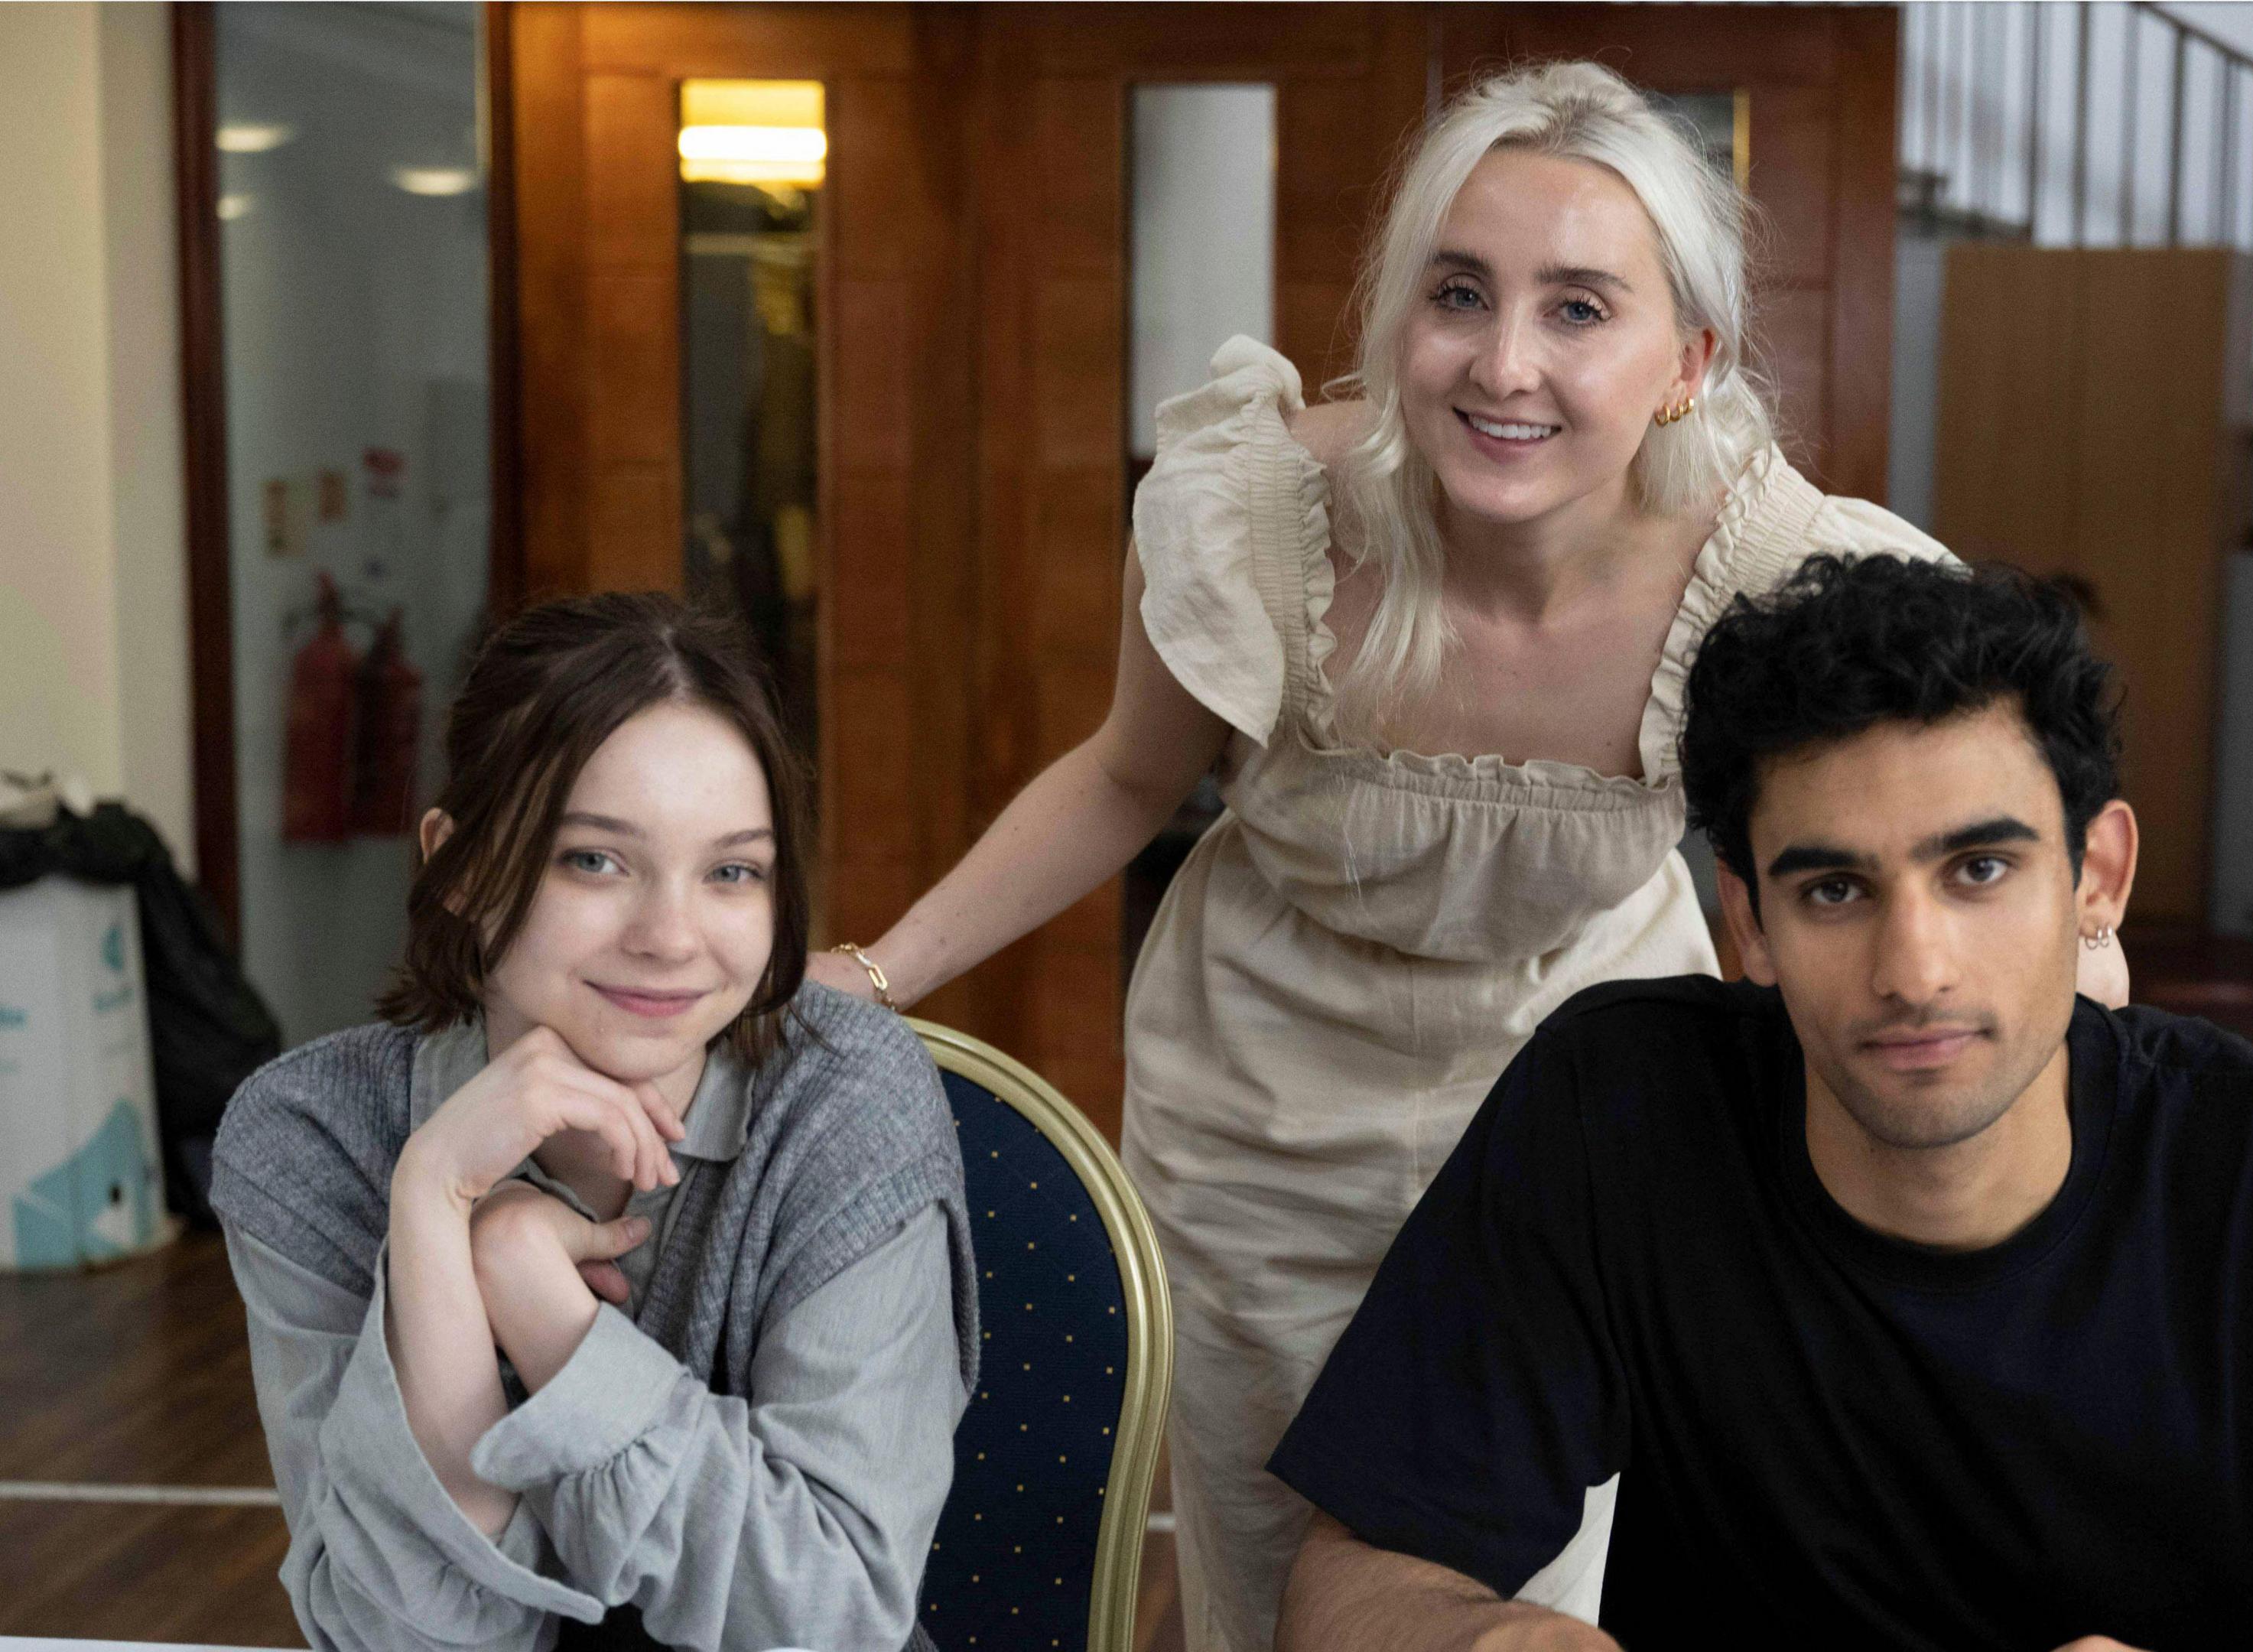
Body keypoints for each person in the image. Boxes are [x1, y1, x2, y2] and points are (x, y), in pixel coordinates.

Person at [805, 60, 2124, 1652]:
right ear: (1399, 319)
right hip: (1259, 1101)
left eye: (1581, 309)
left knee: (1518, 1571)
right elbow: (1119, 779)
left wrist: (2081, 1033)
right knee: (1270, 1564)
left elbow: (2008, 787)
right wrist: (874, 974)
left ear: (1688, 361)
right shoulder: (1266, 508)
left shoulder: (1778, 570)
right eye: (1460, 294)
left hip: (1586, 1088)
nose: (1506, 364)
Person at [1269, 554, 2253, 1652]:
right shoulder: (1621, 1111)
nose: (1914, 964)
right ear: (1742, 925)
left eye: (1980, 866)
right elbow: (1353, 1585)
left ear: (2099, 877)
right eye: (1832, 888)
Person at [213, 594, 979, 1652]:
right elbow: (401, 1638)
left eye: (731, 872)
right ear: (461, 867)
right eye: (595, 860)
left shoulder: (844, 1101)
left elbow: (831, 1612)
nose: (671, 938)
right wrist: (434, 1204)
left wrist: (539, 1302)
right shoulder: (312, 1139)